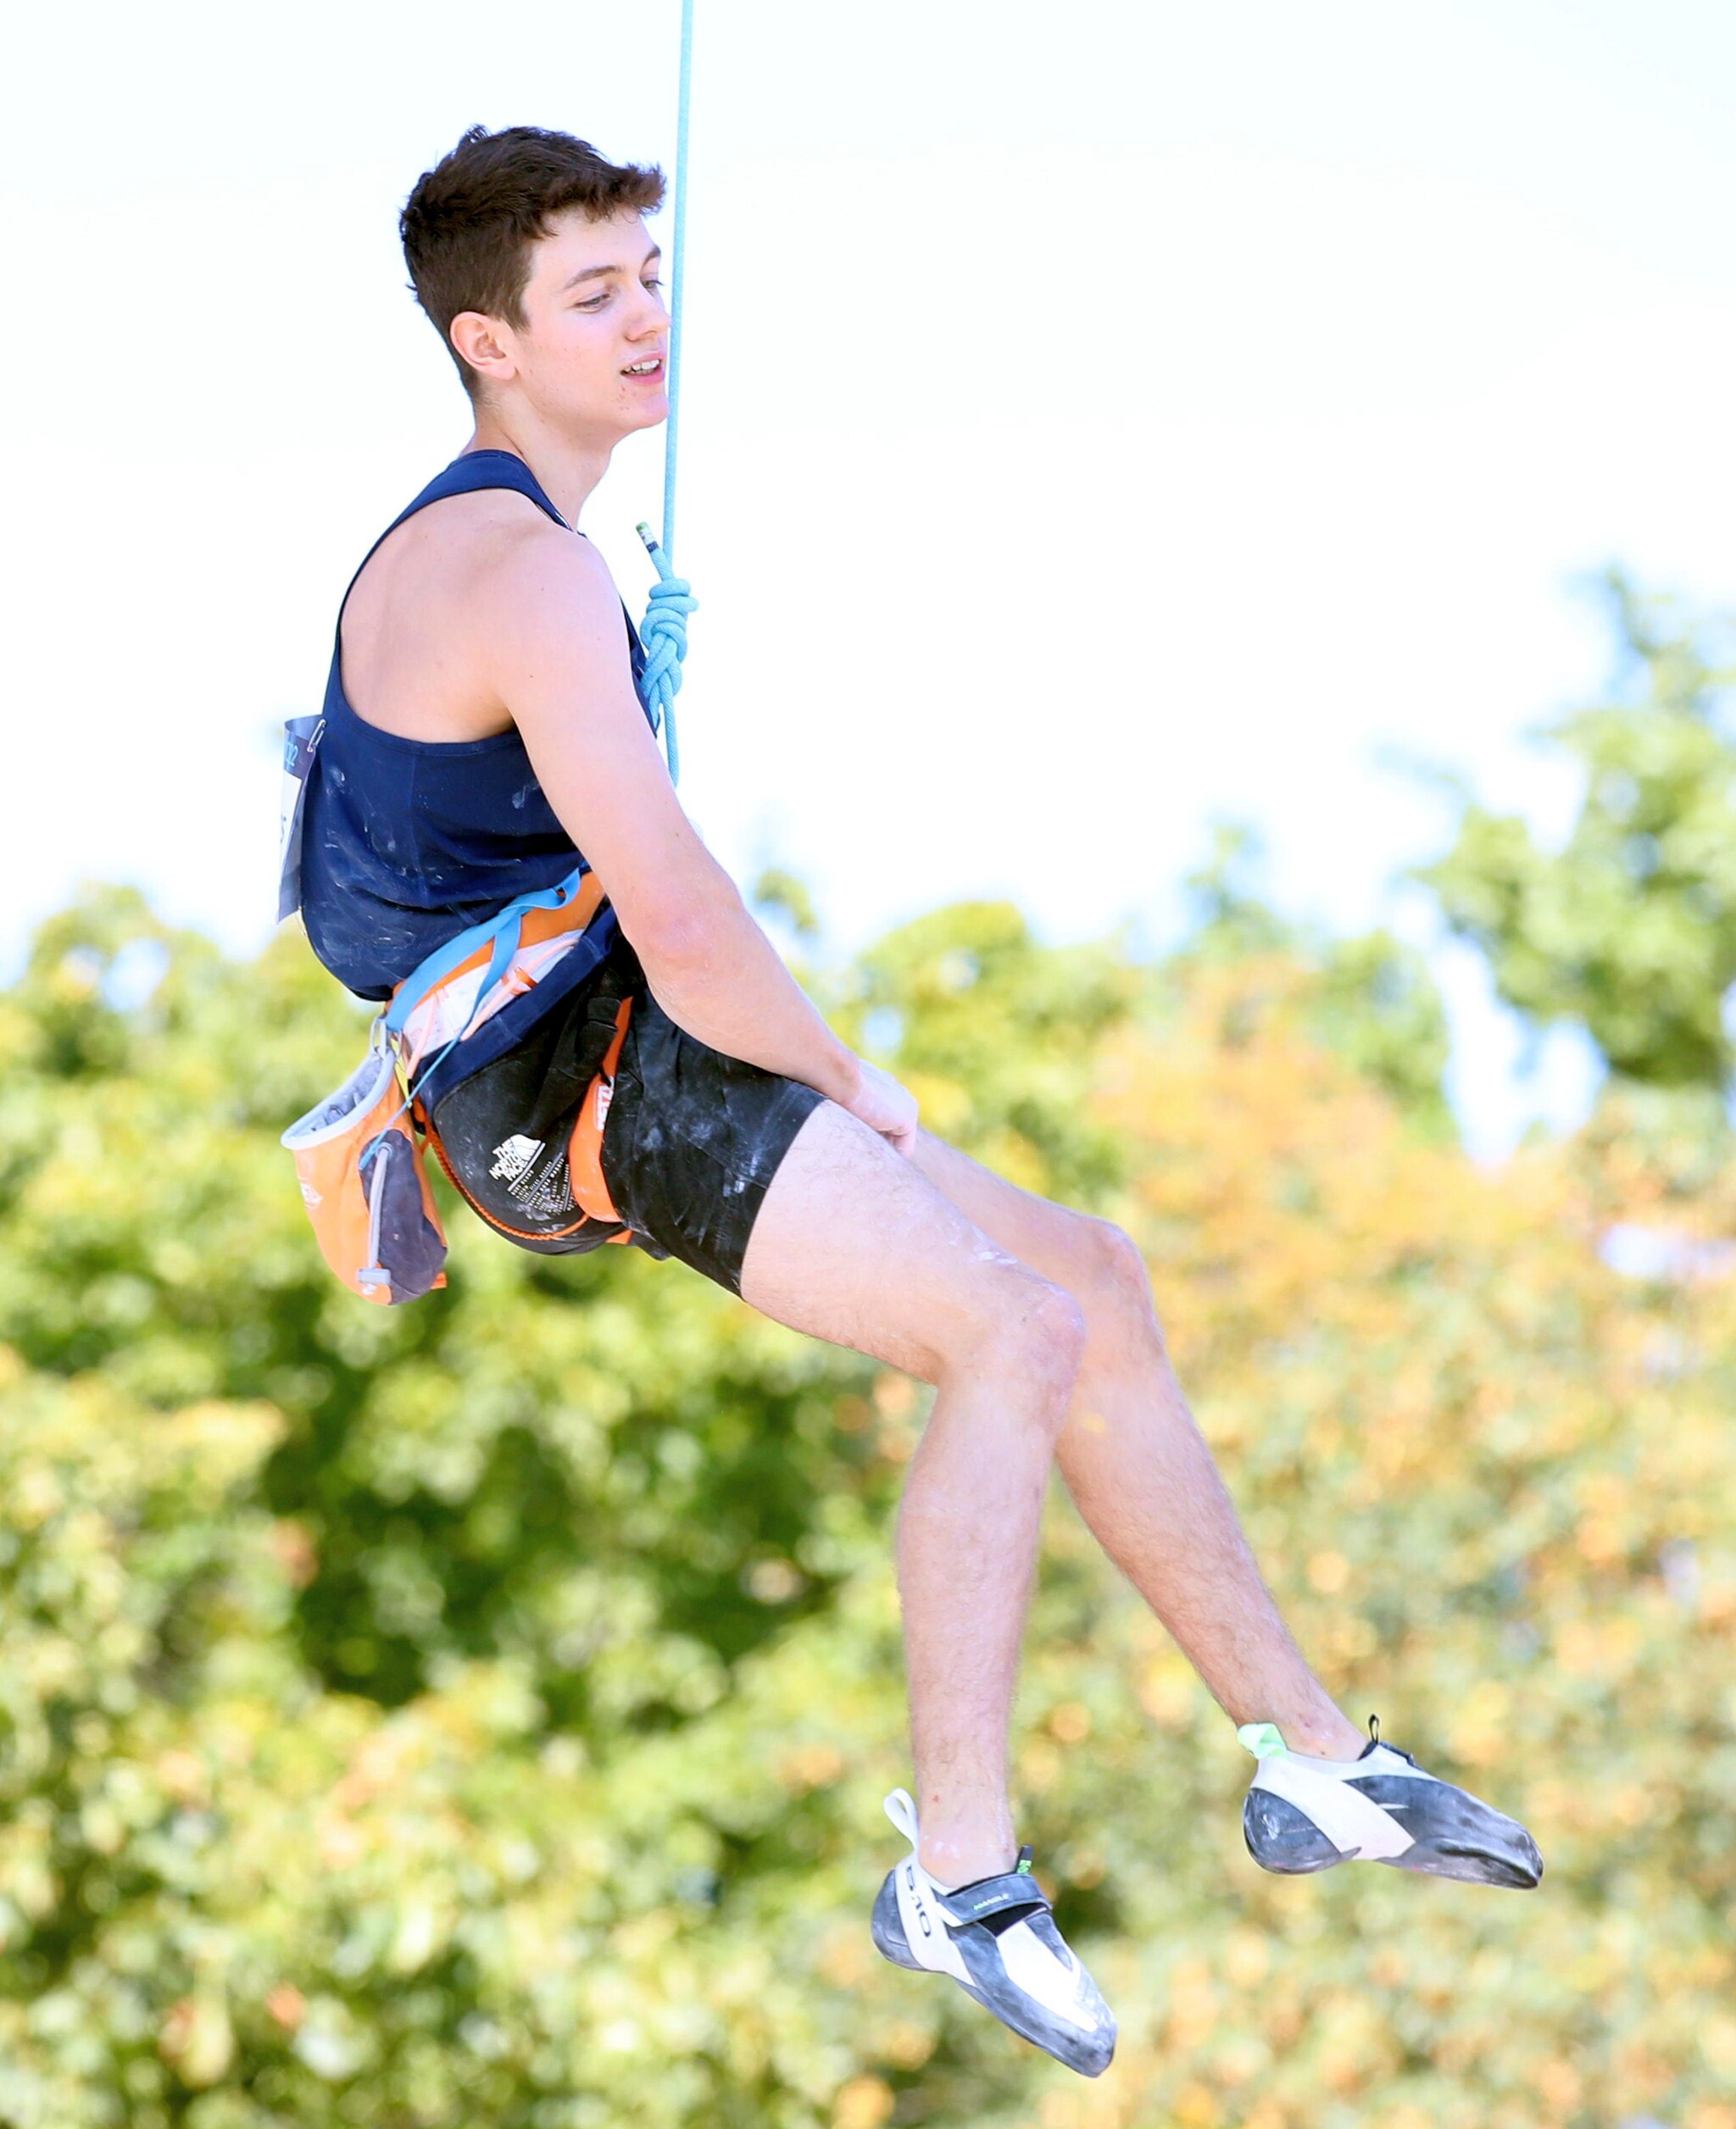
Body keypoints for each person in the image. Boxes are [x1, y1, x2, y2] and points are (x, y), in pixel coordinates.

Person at [293, 124, 1542, 2080]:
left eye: (648, 276)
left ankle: (1314, 1759)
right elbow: (692, 922)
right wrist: (850, 1075)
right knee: (1007, 1325)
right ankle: (957, 1875)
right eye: (592, 295)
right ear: (485, 342)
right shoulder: (515, 568)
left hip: (606, 1026)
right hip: (578, 1073)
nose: (644, 321)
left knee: (1090, 1276)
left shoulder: (530, 560)